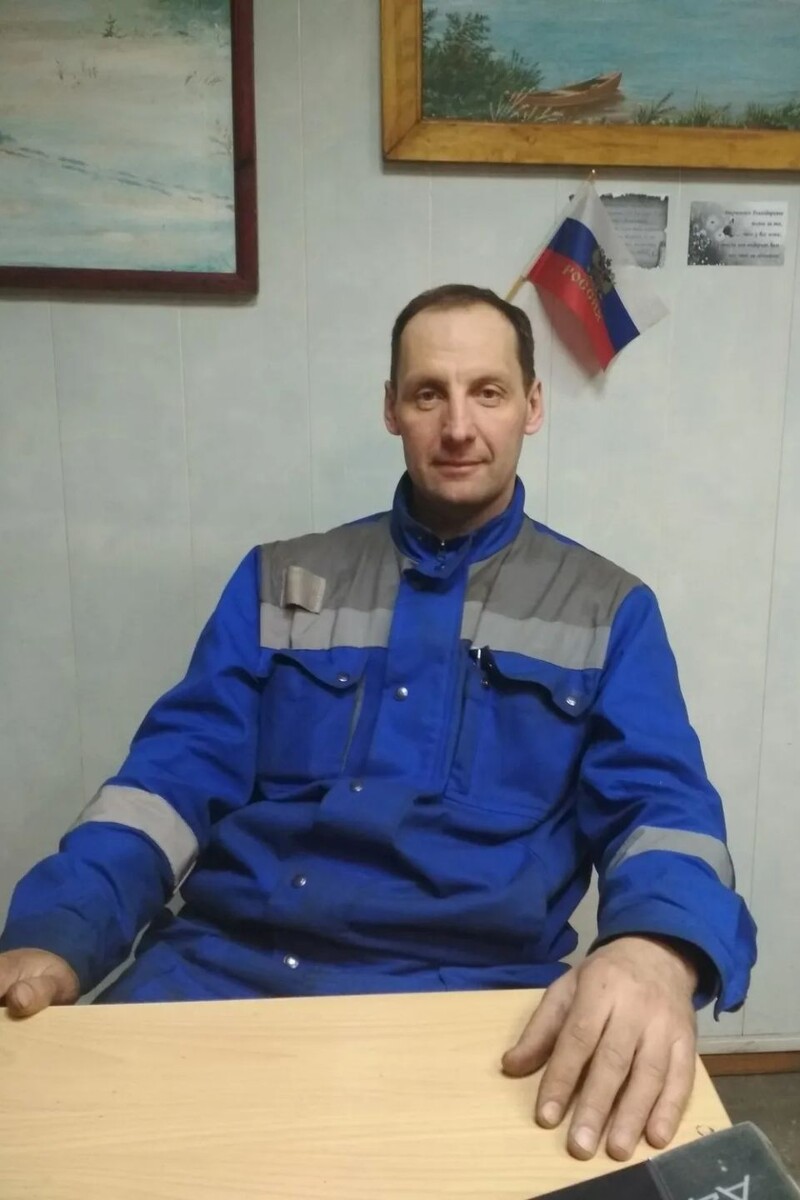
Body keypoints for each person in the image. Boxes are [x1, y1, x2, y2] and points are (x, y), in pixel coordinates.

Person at [0, 284, 756, 1162]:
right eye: (430, 393)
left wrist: (657, 949)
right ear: (392, 409)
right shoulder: (276, 583)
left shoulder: (609, 611)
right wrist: (58, 930)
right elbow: (166, 784)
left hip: (478, 999)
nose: (459, 426)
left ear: (532, 406)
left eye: (487, 391)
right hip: (222, 970)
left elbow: (663, 812)